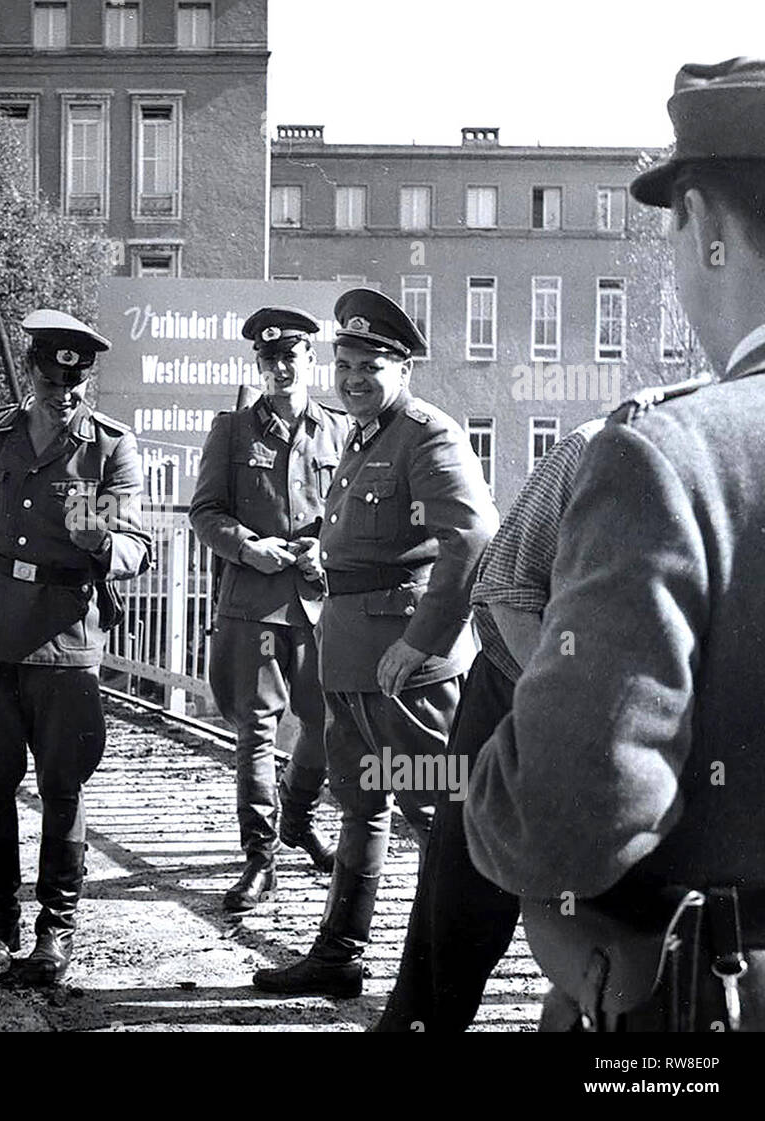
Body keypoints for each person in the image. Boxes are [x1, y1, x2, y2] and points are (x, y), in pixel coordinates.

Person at [466, 57, 765, 1032]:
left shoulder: (669, 462)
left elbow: (563, 822)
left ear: (705, 228)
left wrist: (493, 780)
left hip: (708, 1005)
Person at [253, 288, 497, 998]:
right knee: (361, 803)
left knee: (436, 816)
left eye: (371, 367)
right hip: (354, 657)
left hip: (406, 671)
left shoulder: (427, 435)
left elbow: (473, 541)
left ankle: (440, 975)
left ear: (404, 369)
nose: (354, 379)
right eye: (347, 364)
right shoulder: (364, 436)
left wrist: (423, 642)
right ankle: (339, 954)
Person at [0, 309, 151, 985]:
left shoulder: (110, 447)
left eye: (76, 383)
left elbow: (137, 546)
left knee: (64, 786)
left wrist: (102, 544)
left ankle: (56, 932)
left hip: (65, 637)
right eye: (54, 383)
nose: (66, 395)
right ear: (33, 375)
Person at [372, 418, 607, 1031]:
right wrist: (572, 700)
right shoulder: (593, 444)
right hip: (517, 682)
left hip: (634, 713)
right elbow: (503, 587)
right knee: (466, 879)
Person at [189, 306, 348, 913]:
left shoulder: (338, 430)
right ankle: (259, 856)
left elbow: (351, 515)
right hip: (253, 604)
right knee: (255, 730)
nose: (280, 367)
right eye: (269, 359)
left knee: (327, 723)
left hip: (318, 603)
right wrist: (248, 547)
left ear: (312, 361)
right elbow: (204, 512)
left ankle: (298, 818)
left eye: (291, 357)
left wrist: (323, 550)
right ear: (258, 365)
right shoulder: (231, 432)